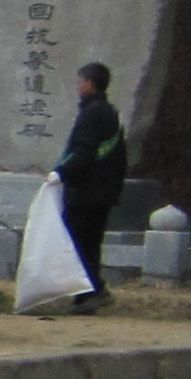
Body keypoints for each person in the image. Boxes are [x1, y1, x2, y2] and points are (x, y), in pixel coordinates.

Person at [54, 59, 126, 314]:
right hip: (103, 191)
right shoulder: (110, 112)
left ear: (90, 83)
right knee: (90, 242)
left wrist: (60, 172)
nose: (78, 86)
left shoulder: (92, 113)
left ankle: (92, 291)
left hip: (87, 191)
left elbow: (83, 151)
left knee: (79, 242)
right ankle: (87, 294)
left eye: (80, 81)